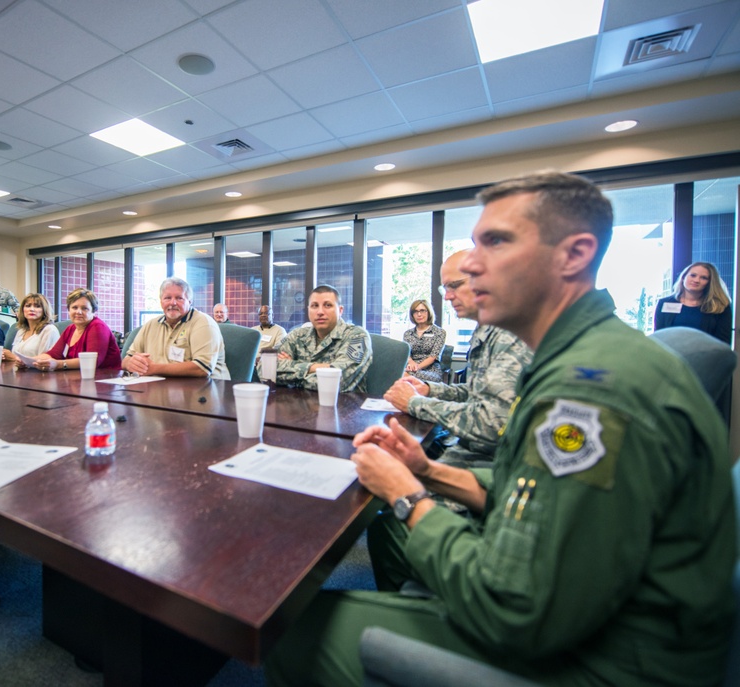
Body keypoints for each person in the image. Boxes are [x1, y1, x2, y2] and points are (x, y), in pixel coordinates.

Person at [264, 171, 736, 687]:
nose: (469, 265)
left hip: (600, 661)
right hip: (584, 617)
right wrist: (427, 472)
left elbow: (520, 606)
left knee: (289, 632)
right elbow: (532, 498)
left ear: (574, 255)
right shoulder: (577, 355)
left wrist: (409, 497)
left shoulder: (590, 391)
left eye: (496, 241)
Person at [383, 250, 531, 466]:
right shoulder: (485, 329)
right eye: (446, 289)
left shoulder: (511, 333)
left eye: (455, 285)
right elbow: (477, 393)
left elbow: (493, 422)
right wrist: (430, 389)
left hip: (492, 461)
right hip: (466, 445)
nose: (448, 296)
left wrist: (415, 402)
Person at [267, 285, 371, 392]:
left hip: (343, 405)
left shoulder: (356, 336)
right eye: (314, 306)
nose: (320, 312)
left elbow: (334, 382)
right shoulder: (298, 335)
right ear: (308, 310)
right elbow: (265, 368)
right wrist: (315, 368)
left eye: (327, 305)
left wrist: (291, 369)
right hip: (298, 404)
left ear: (340, 310)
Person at [123, 277, 228, 379]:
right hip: (161, 389)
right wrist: (131, 363)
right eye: (167, 298)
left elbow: (202, 368)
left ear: (190, 301)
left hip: (204, 390)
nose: (172, 303)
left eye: (179, 298)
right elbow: (126, 359)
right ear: (161, 302)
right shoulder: (150, 325)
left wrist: (154, 368)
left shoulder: (204, 323)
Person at [32, 288, 122, 372]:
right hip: (75, 379)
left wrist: (58, 364)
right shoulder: (70, 329)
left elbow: (92, 362)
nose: (78, 312)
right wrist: (29, 361)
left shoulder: (98, 327)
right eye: (74, 307)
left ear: (93, 311)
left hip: (103, 380)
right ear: (68, 310)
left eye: (84, 308)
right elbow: (54, 354)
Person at [653, 261, 732, 344]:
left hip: (705, 356)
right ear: (683, 277)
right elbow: (658, 337)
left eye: (704, 278)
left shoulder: (719, 307)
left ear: (710, 283)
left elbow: (723, 343)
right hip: (670, 355)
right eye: (693, 275)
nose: (696, 280)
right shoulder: (664, 303)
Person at [2, 293, 60, 364]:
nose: (32, 309)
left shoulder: (50, 330)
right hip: (20, 372)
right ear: (23, 310)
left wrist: (13, 358)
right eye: (28, 306)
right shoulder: (21, 331)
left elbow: (45, 361)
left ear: (44, 310)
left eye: (37, 306)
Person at [401, 299, 446, 383]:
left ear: (428, 312)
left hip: (431, 370)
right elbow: (406, 353)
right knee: (395, 373)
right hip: (410, 368)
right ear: (412, 315)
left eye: (422, 311)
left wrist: (417, 367)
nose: (419, 314)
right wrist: (411, 363)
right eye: (415, 311)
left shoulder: (439, 332)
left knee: (403, 376)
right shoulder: (407, 333)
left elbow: (433, 357)